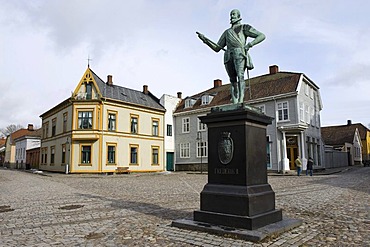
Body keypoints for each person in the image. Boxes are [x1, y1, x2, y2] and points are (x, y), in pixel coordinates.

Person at [197, 9, 265, 104]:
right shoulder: (227, 32)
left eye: (233, 14)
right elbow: (217, 48)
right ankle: (235, 101)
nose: (232, 16)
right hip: (228, 55)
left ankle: (241, 100)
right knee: (232, 79)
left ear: (238, 16)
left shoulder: (244, 27)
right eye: (231, 15)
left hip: (239, 53)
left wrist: (250, 44)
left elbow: (261, 36)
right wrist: (205, 40)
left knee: (240, 76)